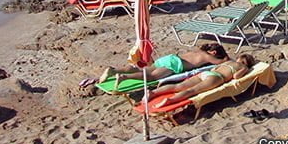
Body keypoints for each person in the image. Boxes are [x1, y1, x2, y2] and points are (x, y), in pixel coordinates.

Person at [146, 53, 256, 108]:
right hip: (217, 77)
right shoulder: (243, 67)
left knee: (178, 86)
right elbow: (236, 77)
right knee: (192, 91)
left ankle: (153, 92)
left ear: (239, 58)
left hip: (206, 73)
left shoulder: (228, 62)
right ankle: (170, 100)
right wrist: (245, 71)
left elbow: (214, 68)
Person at [98, 43, 229, 87]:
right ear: (214, 52)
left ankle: (114, 70)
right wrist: (226, 58)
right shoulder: (207, 56)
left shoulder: (199, 51)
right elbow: (221, 62)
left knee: (142, 69)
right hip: (174, 64)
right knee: (152, 77)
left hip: (168, 58)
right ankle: (123, 77)